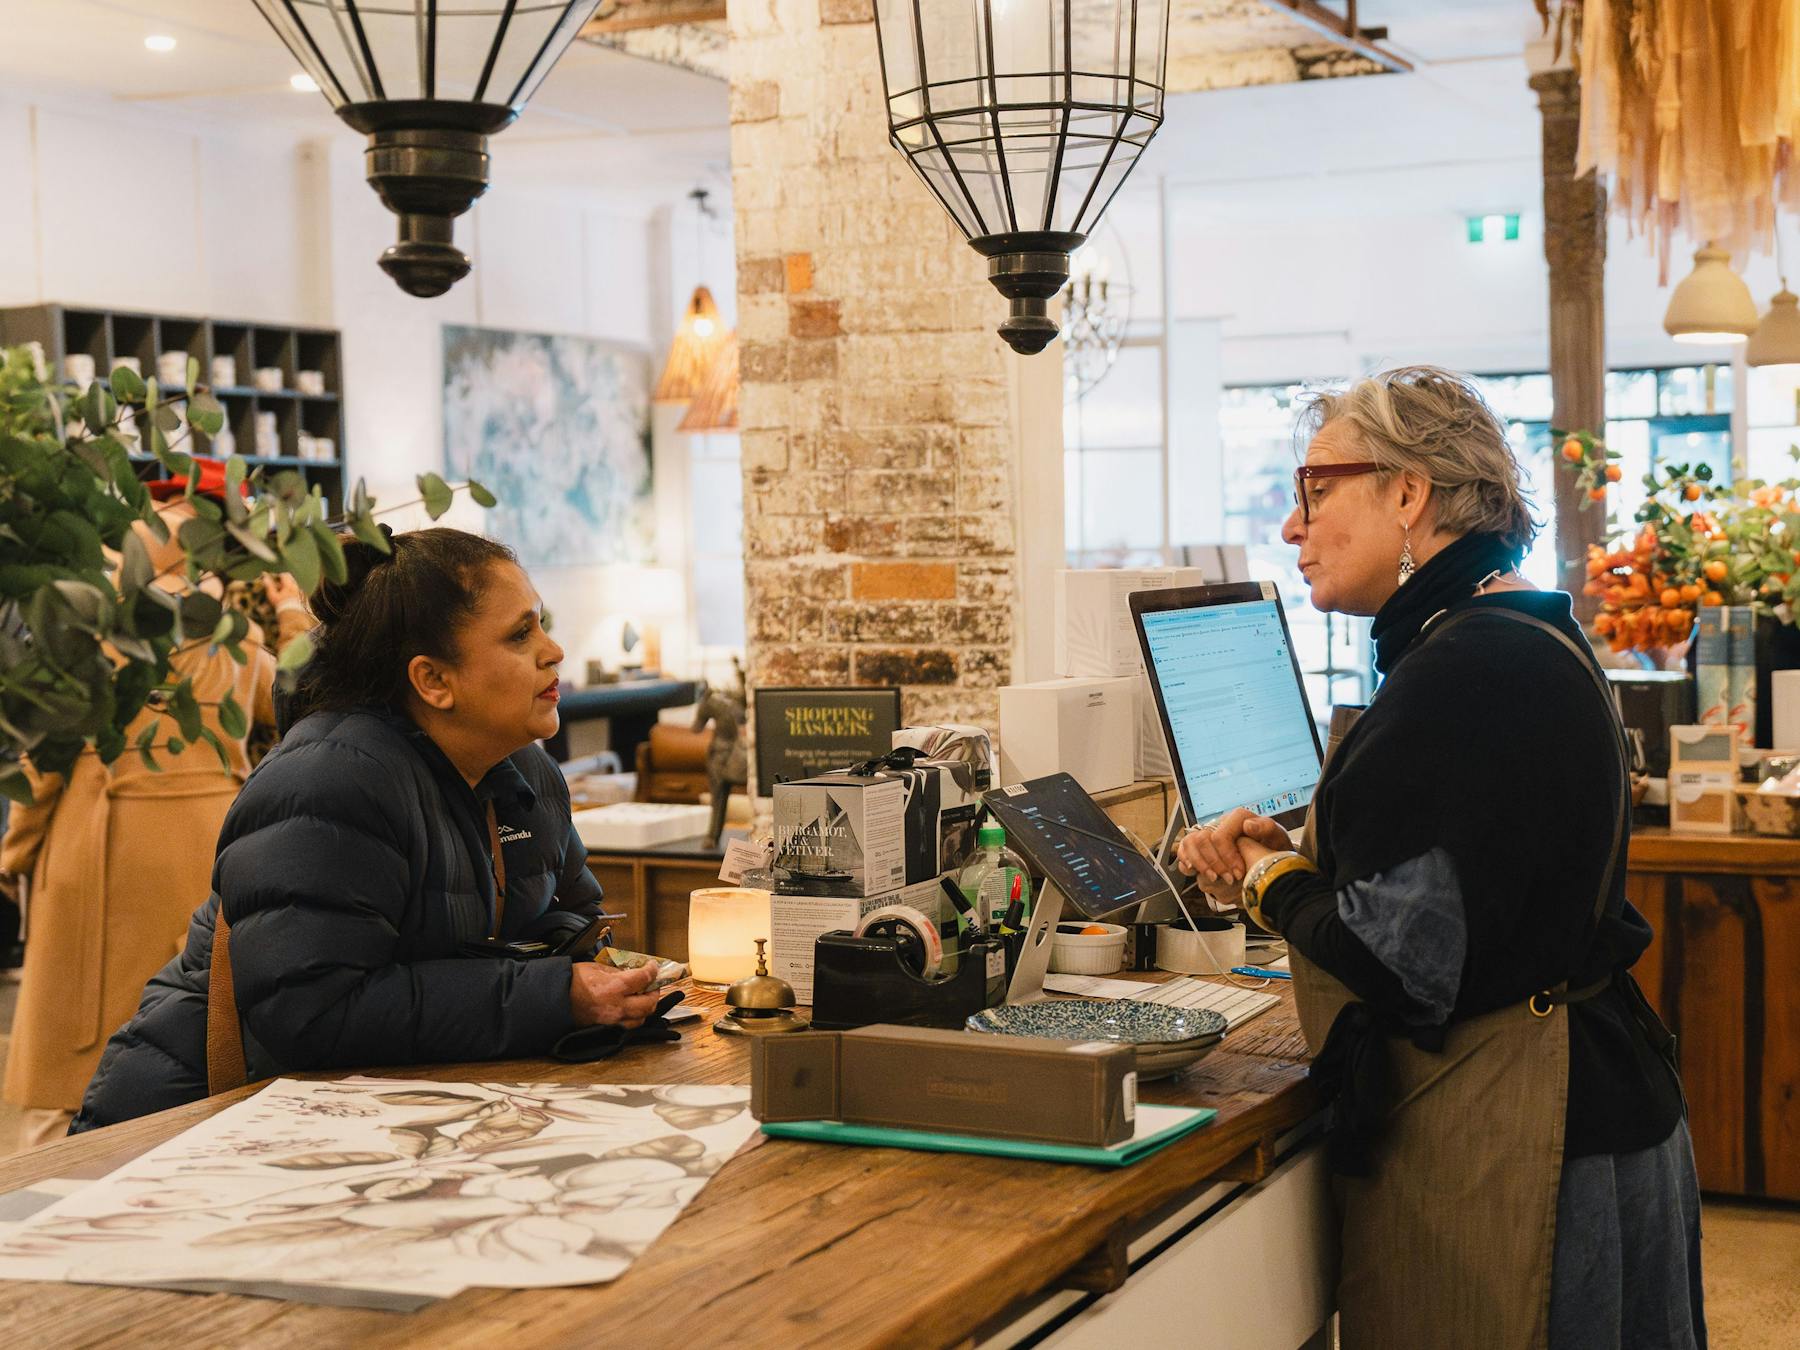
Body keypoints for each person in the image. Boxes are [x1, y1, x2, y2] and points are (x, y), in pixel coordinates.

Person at [1178, 367, 1704, 1350]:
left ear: (1408, 493)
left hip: (1527, 1145)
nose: (1293, 528)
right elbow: (1474, 878)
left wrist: (1268, 877)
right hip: (1602, 1104)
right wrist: (1299, 866)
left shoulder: (1461, 672)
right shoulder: (1525, 634)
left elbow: (1401, 964)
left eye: (1313, 492)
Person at [72, 527, 662, 1132]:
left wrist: (589, 974)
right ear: (433, 681)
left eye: (541, 623)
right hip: (184, 1134)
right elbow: (311, 1012)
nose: (553, 649)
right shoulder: (326, 783)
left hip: (369, 1126)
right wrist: (552, 994)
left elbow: (571, 916)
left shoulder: (524, 772)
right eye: (520, 634)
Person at [1, 466, 311, 1150]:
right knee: (184, 1027)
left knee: (72, 1052)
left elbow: (47, 751)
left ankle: (53, 1193)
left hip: (101, 838)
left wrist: (16, 849)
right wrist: (293, 613)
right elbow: (292, 706)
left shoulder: (84, 613)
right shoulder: (231, 626)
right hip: (212, 837)